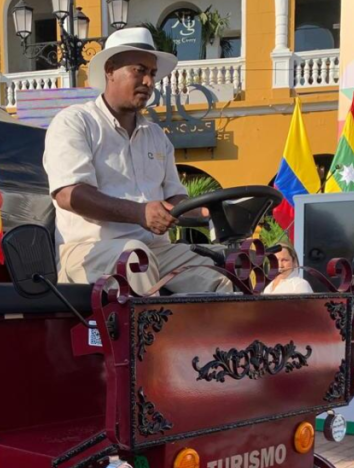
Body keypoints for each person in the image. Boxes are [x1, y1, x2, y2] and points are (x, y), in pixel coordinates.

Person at [43, 27, 229, 295]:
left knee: (223, 269)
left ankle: (229, 324)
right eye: (139, 70)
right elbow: (68, 194)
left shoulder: (156, 136)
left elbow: (175, 198)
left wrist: (210, 211)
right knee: (135, 259)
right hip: (87, 251)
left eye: (152, 73)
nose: (149, 81)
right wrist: (139, 213)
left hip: (156, 250)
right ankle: (153, 324)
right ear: (110, 70)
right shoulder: (75, 122)